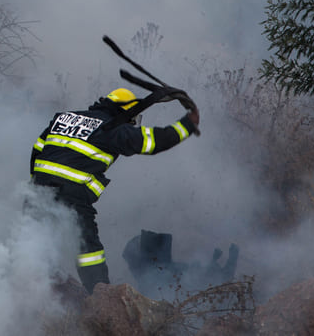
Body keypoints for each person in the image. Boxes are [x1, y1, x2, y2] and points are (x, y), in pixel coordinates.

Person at [29, 87, 199, 295]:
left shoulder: (65, 118)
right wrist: (187, 126)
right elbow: (152, 142)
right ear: (123, 111)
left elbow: (38, 148)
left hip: (38, 191)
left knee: (31, 243)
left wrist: (35, 185)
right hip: (73, 196)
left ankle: (26, 290)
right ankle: (101, 298)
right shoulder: (113, 127)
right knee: (89, 250)